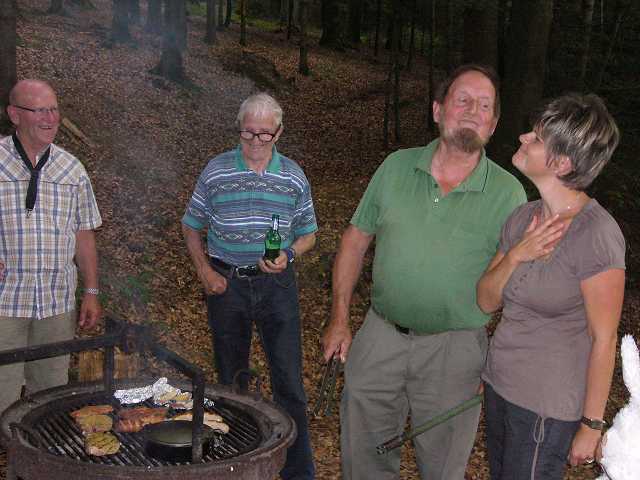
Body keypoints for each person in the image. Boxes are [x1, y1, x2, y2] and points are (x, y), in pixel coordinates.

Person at [321, 64, 527, 479]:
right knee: (363, 462)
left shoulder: (509, 194)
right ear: (437, 110)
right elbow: (354, 240)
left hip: (457, 352)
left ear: (494, 123)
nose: (472, 111)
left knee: (443, 468)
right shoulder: (396, 167)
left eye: (483, 105)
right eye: (462, 100)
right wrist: (339, 319)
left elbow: (516, 285)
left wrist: (498, 360)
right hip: (379, 338)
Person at [478, 93, 625, 479]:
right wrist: (516, 255)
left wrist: (591, 426)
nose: (524, 138)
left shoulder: (597, 235)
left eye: (537, 138)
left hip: (546, 410)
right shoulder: (522, 218)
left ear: (562, 163)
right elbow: (485, 300)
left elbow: (604, 339)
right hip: (499, 389)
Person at [182, 93, 317, 480]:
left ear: (279, 133)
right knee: (230, 382)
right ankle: (236, 464)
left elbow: (309, 233)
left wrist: (288, 255)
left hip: (277, 288)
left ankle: (297, 471)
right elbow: (190, 225)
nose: (256, 142)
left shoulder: (292, 175)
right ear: (239, 129)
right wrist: (205, 273)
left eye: (265, 135)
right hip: (229, 285)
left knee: (289, 383)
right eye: (248, 133)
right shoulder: (217, 170)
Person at [0, 79, 102, 413]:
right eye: (40, 110)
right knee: (2, 395)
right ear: (15, 115)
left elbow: (84, 234)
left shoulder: (72, 169)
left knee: (50, 395)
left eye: (54, 109)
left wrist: (91, 291)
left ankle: (38, 461)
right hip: (4, 301)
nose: (51, 118)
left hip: (56, 301)